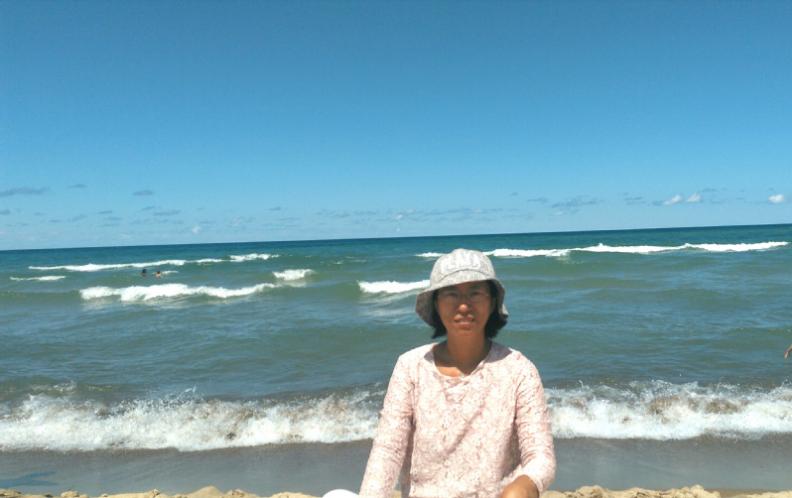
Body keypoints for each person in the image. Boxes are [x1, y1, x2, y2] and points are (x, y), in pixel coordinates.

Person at [327, 249, 555, 498]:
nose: (464, 305)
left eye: (475, 293)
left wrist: (526, 484)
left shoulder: (519, 370)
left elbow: (540, 456)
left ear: (492, 302)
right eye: (451, 293)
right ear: (436, 303)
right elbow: (388, 450)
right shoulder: (411, 367)